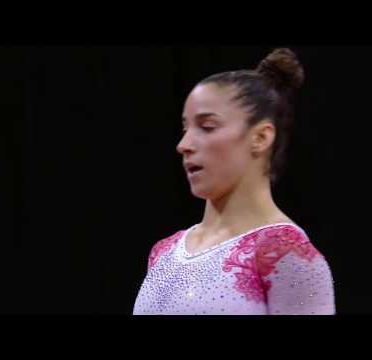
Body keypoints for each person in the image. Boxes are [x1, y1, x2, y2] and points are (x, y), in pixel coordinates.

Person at [133, 48, 335, 315]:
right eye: (185, 128)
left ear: (260, 138)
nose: (184, 145)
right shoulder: (165, 252)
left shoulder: (286, 256)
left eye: (207, 127)